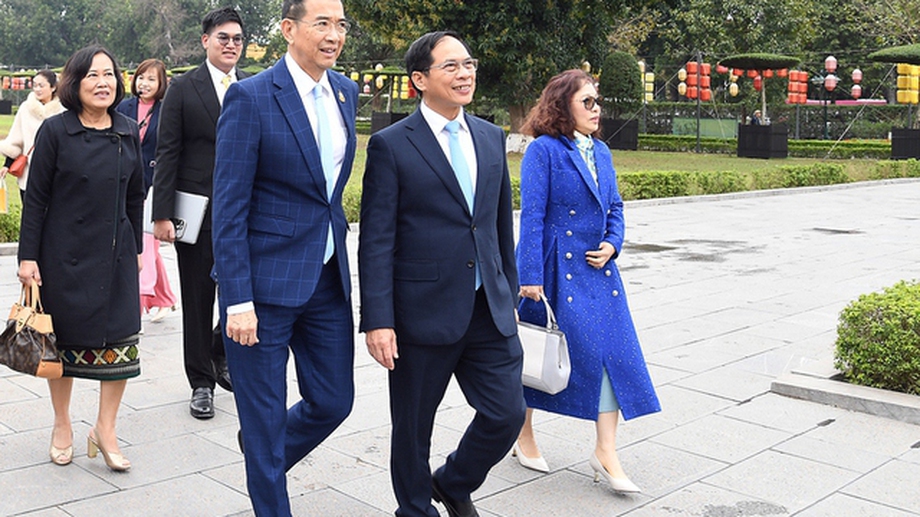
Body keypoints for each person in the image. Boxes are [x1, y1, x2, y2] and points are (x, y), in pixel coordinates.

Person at [359, 31, 526, 517]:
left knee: (506, 413)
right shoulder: (392, 146)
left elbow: (498, 225)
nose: (465, 73)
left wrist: (508, 291)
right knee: (412, 428)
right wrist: (378, 319)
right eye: (450, 66)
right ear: (419, 79)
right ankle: (414, 509)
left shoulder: (491, 137)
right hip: (420, 313)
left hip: (487, 310)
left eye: (468, 64)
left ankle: (453, 481)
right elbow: (376, 240)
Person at [211, 0, 357, 514]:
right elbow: (228, 208)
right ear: (289, 29)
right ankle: (269, 485)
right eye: (323, 23)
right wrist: (237, 299)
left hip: (326, 279)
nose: (334, 34)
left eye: (340, 24)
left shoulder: (346, 91)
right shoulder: (251, 98)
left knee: (335, 401)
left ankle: (262, 452)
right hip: (263, 288)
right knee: (265, 415)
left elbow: (327, 193)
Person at [514, 69, 661, 493]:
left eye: (599, 102)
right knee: (540, 357)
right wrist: (530, 278)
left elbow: (615, 206)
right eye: (589, 102)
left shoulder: (602, 151)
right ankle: (522, 433)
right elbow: (534, 216)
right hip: (555, 271)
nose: (598, 110)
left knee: (614, 357)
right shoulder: (543, 151)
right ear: (564, 106)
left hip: (601, 271)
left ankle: (605, 450)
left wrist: (614, 244)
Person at [17, 45, 144, 472]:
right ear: (74, 83)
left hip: (117, 256)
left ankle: (105, 429)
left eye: (109, 74)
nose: (102, 82)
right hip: (63, 257)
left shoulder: (127, 130)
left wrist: (138, 251)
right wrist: (28, 258)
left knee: (123, 344)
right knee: (63, 347)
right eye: (92, 75)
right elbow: (35, 200)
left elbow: (135, 196)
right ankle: (62, 424)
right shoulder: (55, 132)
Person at [153, 6, 249, 418]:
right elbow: (167, 152)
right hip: (197, 212)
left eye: (237, 39)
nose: (231, 45)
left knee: (244, 294)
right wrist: (161, 214)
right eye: (223, 37)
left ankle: (217, 350)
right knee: (197, 298)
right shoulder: (183, 88)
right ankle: (201, 382)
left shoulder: (253, 87)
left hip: (245, 213)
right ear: (206, 40)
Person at [116, 59, 179, 324]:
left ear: (161, 83)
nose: (145, 83)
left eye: (152, 79)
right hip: (126, 181)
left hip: (154, 185)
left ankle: (138, 306)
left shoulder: (167, 110)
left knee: (145, 244)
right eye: (142, 77)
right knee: (146, 246)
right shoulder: (124, 107)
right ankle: (165, 298)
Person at [0, 70, 66, 207]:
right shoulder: (25, 108)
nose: (37, 89)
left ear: (53, 87)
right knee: (30, 216)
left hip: (56, 173)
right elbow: (16, 138)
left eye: (41, 85)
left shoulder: (63, 111)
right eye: (34, 85)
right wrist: (7, 164)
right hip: (29, 173)